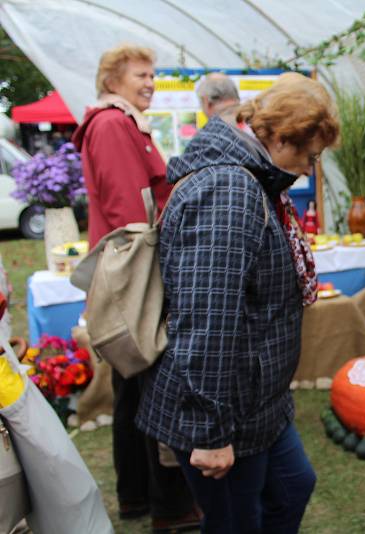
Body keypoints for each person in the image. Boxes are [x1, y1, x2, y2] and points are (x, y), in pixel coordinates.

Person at [136, 72, 339, 533]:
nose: (308, 169)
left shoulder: (251, 178)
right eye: (309, 157)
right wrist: (209, 433)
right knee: (235, 522)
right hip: (222, 408)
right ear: (282, 137)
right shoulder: (229, 191)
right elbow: (207, 316)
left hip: (258, 400)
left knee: (293, 486)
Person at [72, 44, 200, 533]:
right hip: (135, 274)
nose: (150, 82)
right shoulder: (111, 125)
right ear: (112, 80)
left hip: (133, 270)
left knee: (132, 389)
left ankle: (137, 496)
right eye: (141, 75)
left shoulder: (122, 123)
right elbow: (132, 213)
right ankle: (167, 506)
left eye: (153, 75)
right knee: (151, 386)